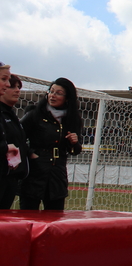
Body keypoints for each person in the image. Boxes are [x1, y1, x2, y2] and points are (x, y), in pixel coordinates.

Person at [19, 77, 83, 211]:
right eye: (51, 91)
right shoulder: (34, 114)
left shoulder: (72, 119)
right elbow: (17, 137)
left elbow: (75, 150)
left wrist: (74, 143)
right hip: (35, 171)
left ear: (67, 98)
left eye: (58, 93)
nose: (53, 95)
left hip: (57, 172)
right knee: (28, 214)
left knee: (55, 216)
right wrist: (31, 153)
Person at [1, 73, 29, 208]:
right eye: (13, 86)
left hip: (12, 176)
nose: (17, 90)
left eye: (19, 87)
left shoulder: (13, 116)